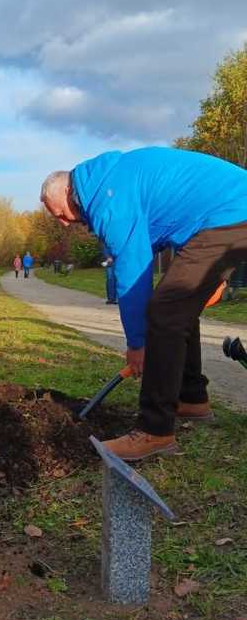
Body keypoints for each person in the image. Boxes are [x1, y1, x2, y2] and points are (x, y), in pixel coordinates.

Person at [40, 146, 247, 461]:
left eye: (59, 213)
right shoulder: (108, 182)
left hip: (231, 213)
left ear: (68, 191)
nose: (65, 223)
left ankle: (154, 431)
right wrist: (213, 278)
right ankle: (190, 398)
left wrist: (138, 344)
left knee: (165, 310)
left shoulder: (110, 201)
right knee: (176, 302)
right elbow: (167, 230)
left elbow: (132, 273)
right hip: (228, 213)